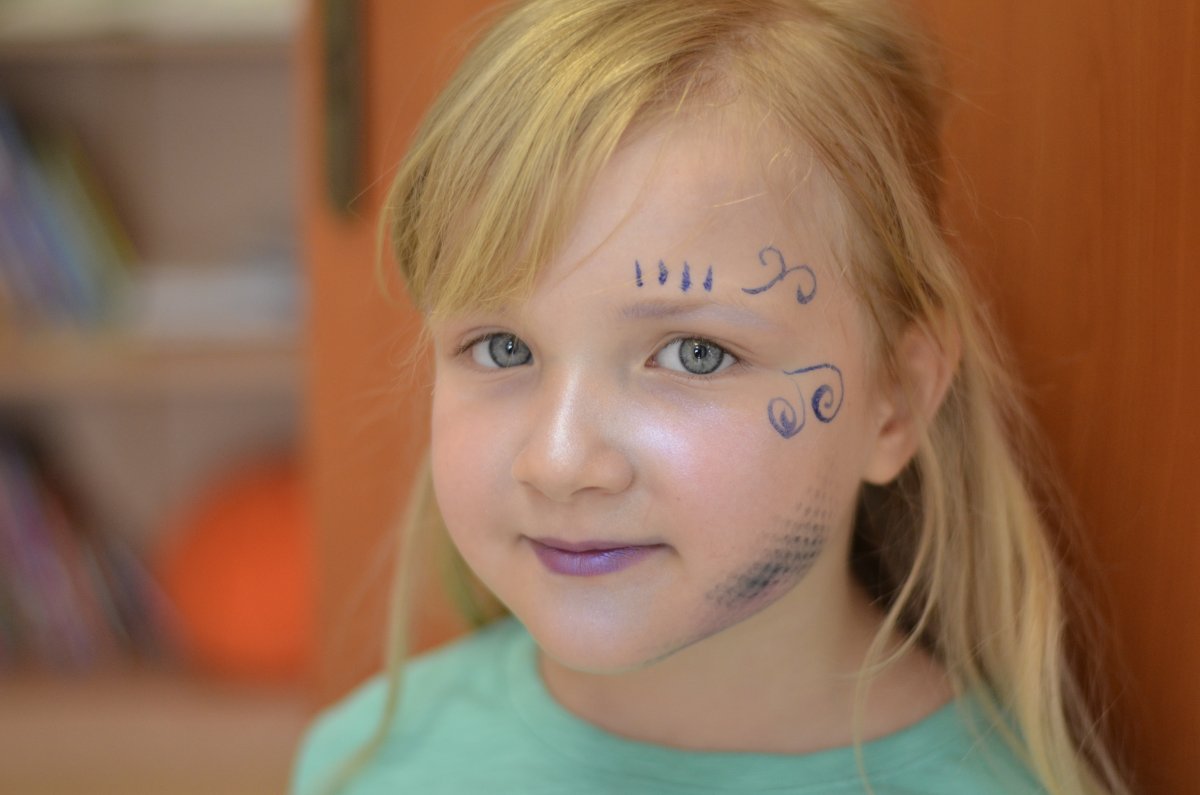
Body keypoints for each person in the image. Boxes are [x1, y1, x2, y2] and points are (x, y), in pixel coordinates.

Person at [292, 0, 1130, 792]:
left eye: (695, 355)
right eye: (502, 347)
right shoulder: (368, 759)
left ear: (897, 397)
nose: (559, 460)